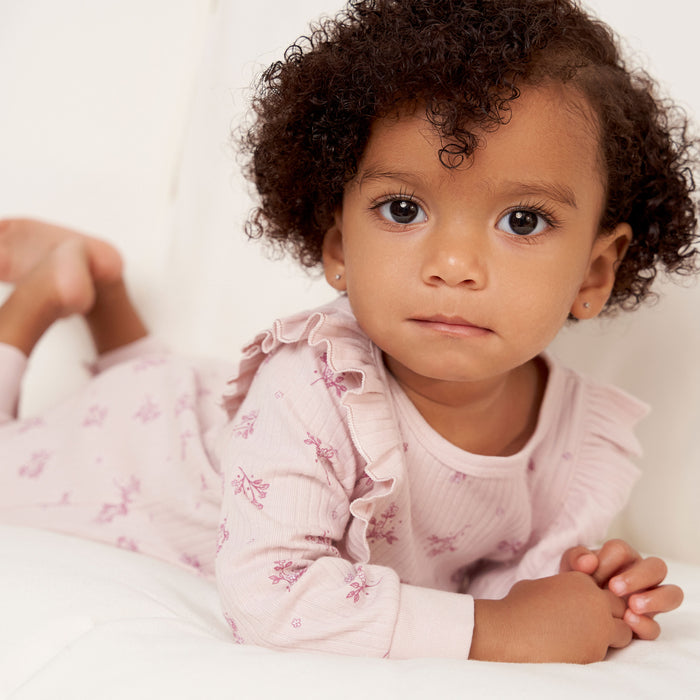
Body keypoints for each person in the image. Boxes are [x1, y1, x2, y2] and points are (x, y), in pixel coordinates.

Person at [0, 0, 696, 663]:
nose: (453, 266)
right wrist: (499, 628)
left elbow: (520, 590)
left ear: (594, 274)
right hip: (138, 452)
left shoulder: (580, 440)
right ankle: (36, 305)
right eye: (403, 208)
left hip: (206, 414)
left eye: (522, 221)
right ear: (338, 246)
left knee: (160, 378)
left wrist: (591, 593)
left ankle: (98, 285)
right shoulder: (316, 380)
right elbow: (273, 598)